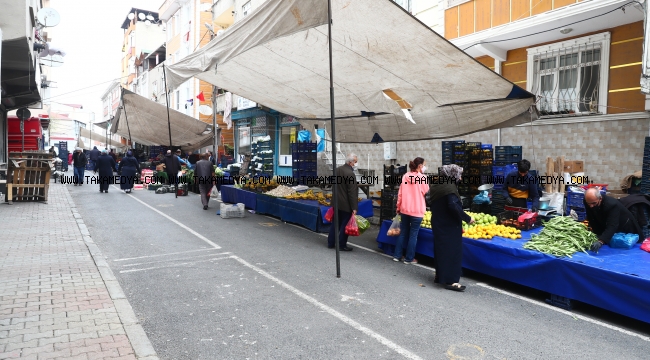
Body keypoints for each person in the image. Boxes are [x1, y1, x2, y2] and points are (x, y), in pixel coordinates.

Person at [427, 164, 474, 292]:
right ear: (452, 175)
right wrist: (467, 218)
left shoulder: (438, 184)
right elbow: (453, 205)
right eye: (459, 174)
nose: (460, 177)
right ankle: (451, 281)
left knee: (441, 250)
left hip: (438, 222)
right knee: (452, 252)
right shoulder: (449, 187)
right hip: (449, 225)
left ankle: (440, 276)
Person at [392, 157, 430, 264]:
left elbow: (400, 194)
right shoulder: (422, 178)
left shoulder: (405, 176)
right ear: (420, 166)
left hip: (405, 209)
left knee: (403, 233)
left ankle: (397, 255)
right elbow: (426, 191)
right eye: (424, 165)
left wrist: (398, 207)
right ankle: (409, 258)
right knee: (413, 235)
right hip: (417, 211)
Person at [583, 188, 643, 253]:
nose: (591, 206)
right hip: (607, 221)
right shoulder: (588, 201)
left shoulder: (611, 204)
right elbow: (592, 218)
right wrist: (596, 234)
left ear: (600, 199)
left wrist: (601, 241)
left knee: (624, 246)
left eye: (594, 203)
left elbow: (612, 225)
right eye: (589, 204)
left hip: (625, 225)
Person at [327, 153, 359, 251]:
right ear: (350, 162)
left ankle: (330, 242)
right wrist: (354, 207)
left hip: (336, 202)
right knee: (345, 225)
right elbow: (352, 192)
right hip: (346, 204)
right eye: (355, 162)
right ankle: (342, 245)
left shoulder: (337, 170)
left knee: (335, 223)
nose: (356, 164)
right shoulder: (350, 174)